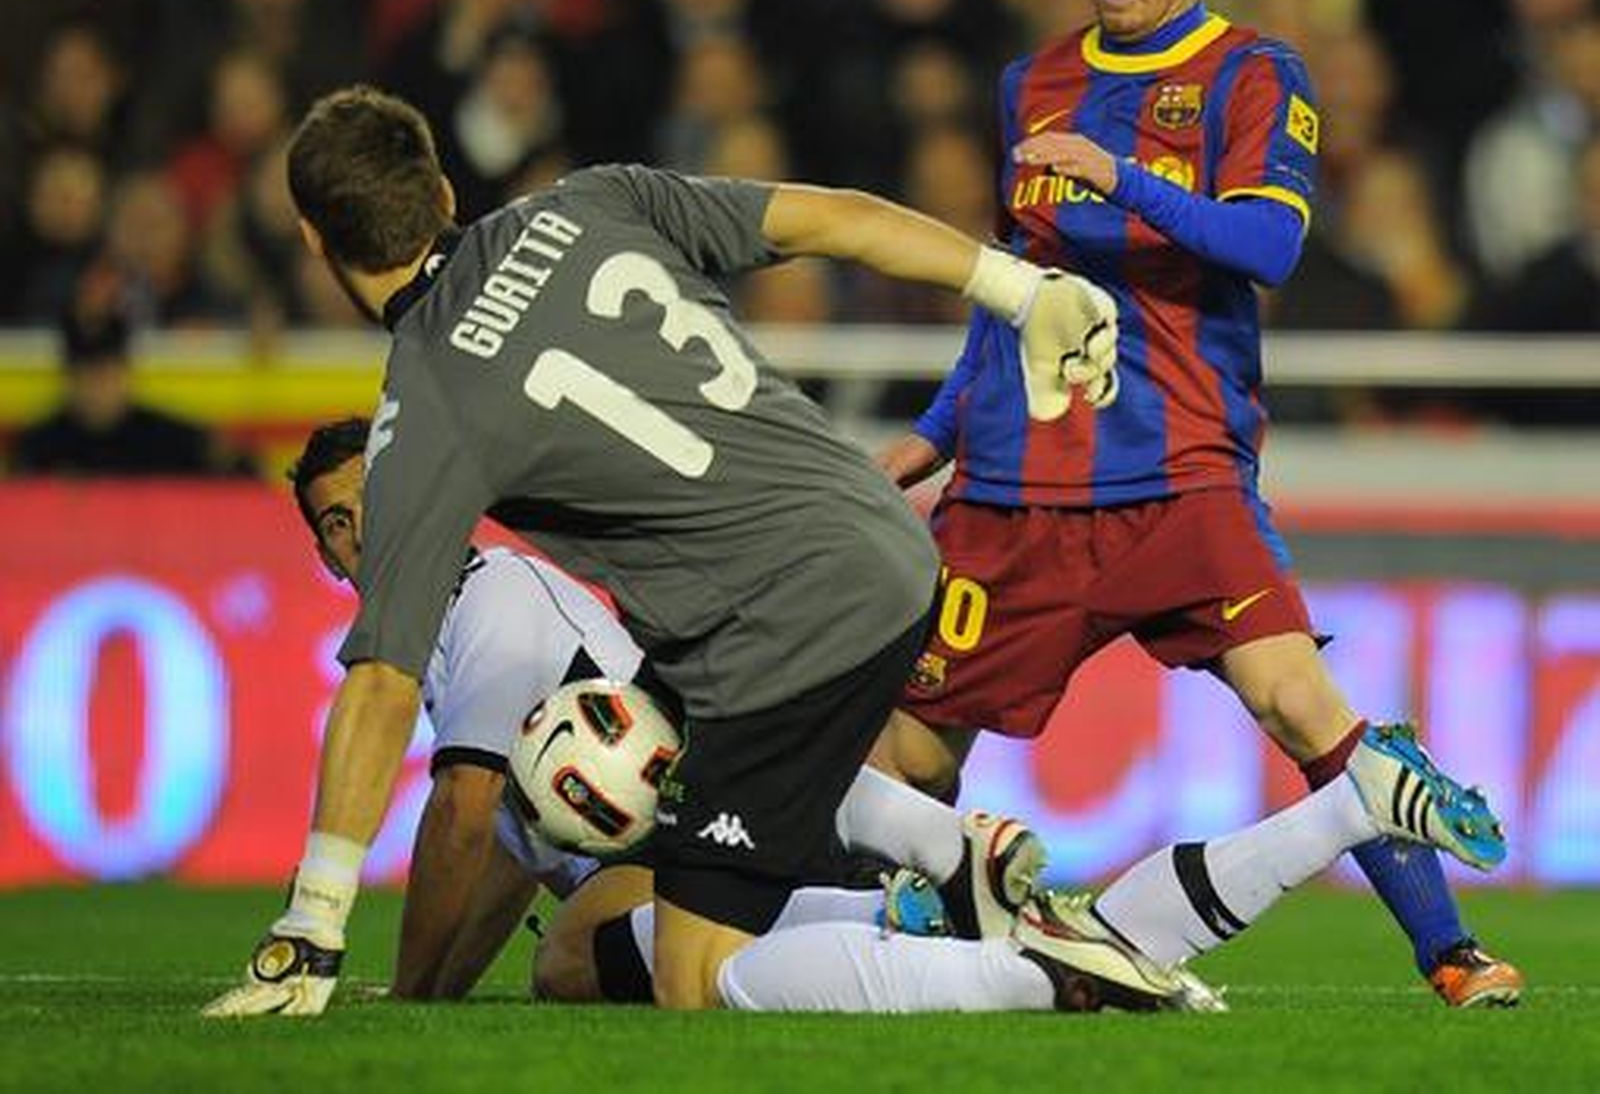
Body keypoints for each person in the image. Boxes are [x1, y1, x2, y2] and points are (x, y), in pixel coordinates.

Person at [203, 81, 1157, 1021]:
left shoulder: (423, 415)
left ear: (313, 238)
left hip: (777, 620)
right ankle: (955, 864)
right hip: (869, 535)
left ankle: (1033, 968)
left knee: (695, 980)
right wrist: (1021, 288)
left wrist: (315, 919)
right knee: (580, 945)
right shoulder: (588, 201)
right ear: (443, 190)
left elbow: (381, 681)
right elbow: (832, 219)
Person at [873, 0, 1522, 1009]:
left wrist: (1121, 175)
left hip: (1178, 470)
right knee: (908, 751)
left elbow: (1269, 242)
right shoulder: (1036, 79)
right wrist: (930, 438)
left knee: (1300, 700)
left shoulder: (1253, 74)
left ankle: (1450, 949)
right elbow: (1012, 288)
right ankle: (868, 956)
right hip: (1018, 484)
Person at [285, 417, 1504, 1012]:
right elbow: (499, 837)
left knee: (695, 981)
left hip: (735, 765)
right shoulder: (486, 598)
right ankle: (1344, 806)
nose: (355, 540)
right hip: (752, 751)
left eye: (364, 510)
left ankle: (971, 914)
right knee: (575, 962)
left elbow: (468, 807)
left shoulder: (488, 597)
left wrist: (398, 1001)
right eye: (331, 526)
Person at [11, 305, 249, 476]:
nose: (97, 387)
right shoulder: (40, 446)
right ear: (69, 379)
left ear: (125, 374)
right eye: (87, 374)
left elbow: (242, 474)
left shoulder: (168, 440)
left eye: (106, 374)